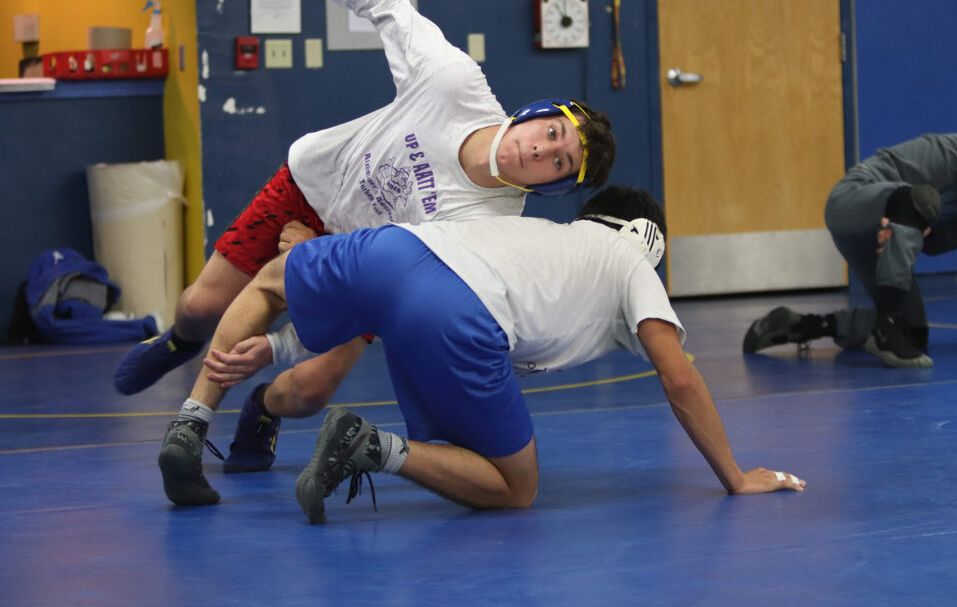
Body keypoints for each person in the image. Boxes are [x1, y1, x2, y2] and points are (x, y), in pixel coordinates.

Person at [112, 0, 616, 409]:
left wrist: (318, 266)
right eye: (552, 134)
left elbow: (406, 283)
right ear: (536, 114)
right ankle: (179, 342)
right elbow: (385, 4)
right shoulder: (453, 83)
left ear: (553, 185)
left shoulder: (496, 224)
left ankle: (261, 410)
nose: (540, 151)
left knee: (310, 389)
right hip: (312, 187)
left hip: (365, 264)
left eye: (559, 162)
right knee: (201, 307)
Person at [155, 186, 806, 517]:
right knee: (513, 488)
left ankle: (191, 418)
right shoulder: (628, 261)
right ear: (649, 241)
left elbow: (381, 298)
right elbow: (680, 378)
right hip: (456, 318)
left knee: (272, 278)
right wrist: (736, 476)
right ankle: (370, 446)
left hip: (396, 250)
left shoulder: (541, 234)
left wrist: (276, 340)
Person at [744, 107, 957, 368]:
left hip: (893, 229)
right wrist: (917, 224)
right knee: (917, 202)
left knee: (912, 334)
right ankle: (887, 325)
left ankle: (803, 325)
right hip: (856, 200)